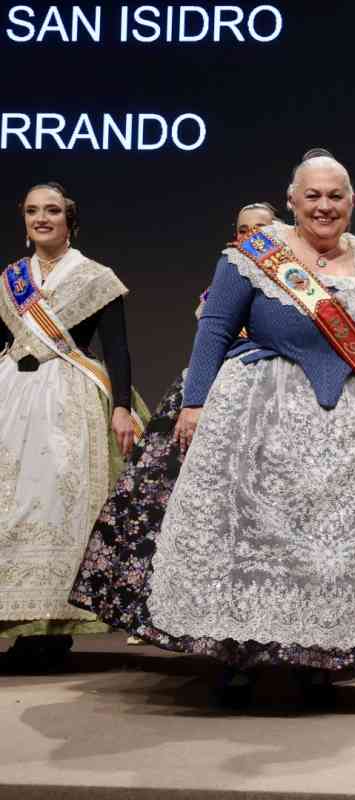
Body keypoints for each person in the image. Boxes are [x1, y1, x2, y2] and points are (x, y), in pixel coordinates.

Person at [70, 151, 355, 707]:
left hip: (348, 423)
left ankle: (318, 659)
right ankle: (239, 656)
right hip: (261, 411)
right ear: (292, 200)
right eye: (312, 196)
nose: (324, 206)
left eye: (335, 196)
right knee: (254, 538)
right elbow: (217, 328)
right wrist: (195, 403)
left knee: (328, 548)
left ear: (352, 202)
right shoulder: (252, 255)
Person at [69, 202, 278, 650]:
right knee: (156, 499)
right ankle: (149, 612)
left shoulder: (294, 288)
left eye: (261, 228)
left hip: (262, 397)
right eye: (243, 229)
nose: (251, 237)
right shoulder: (224, 279)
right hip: (204, 394)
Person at [0, 182, 142, 671]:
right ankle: (19, 623)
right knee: (11, 505)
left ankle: (53, 631)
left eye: (52, 210)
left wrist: (121, 407)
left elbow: (117, 348)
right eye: (32, 211)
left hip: (69, 395)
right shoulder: (11, 280)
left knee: (61, 506)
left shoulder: (95, 277)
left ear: (70, 220)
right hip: (11, 394)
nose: (42, 218)